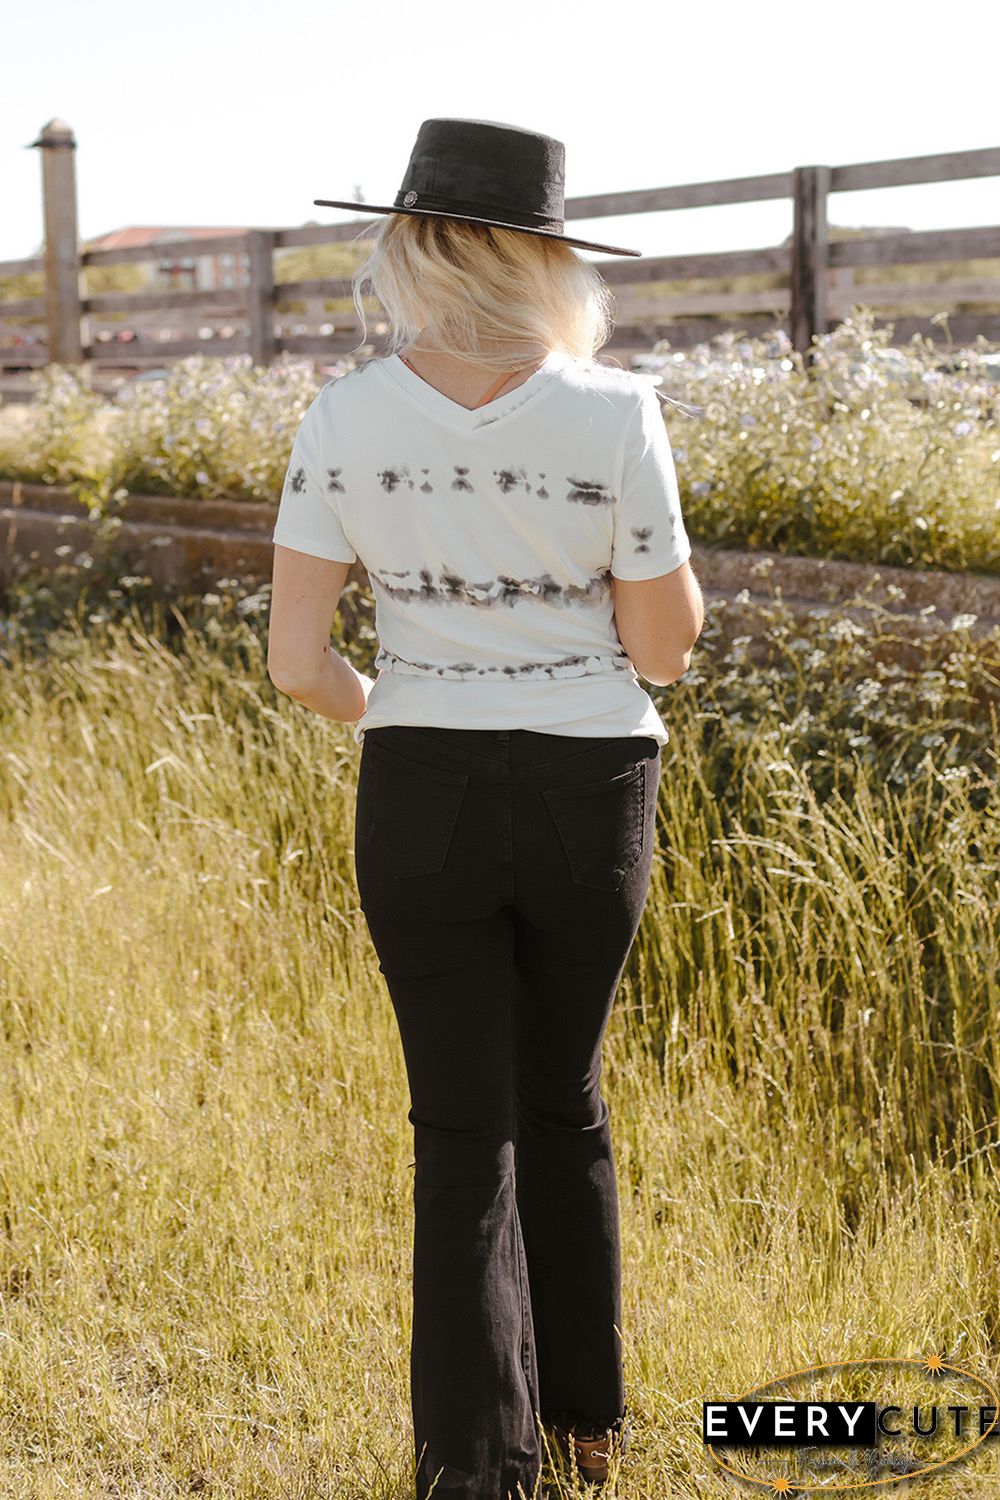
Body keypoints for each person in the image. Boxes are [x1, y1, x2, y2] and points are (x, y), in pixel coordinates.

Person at [267, 118, 704, 1500]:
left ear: (409, 244)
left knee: (460, 1134)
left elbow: (295, 661)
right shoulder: (614, 410)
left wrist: (405, 707)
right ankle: (590, 1428)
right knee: (562, 1102)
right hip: (591, 788)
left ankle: (472, 1467)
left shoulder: (342, 414)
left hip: (422, 789)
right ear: (543, 259)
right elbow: (664, 649)